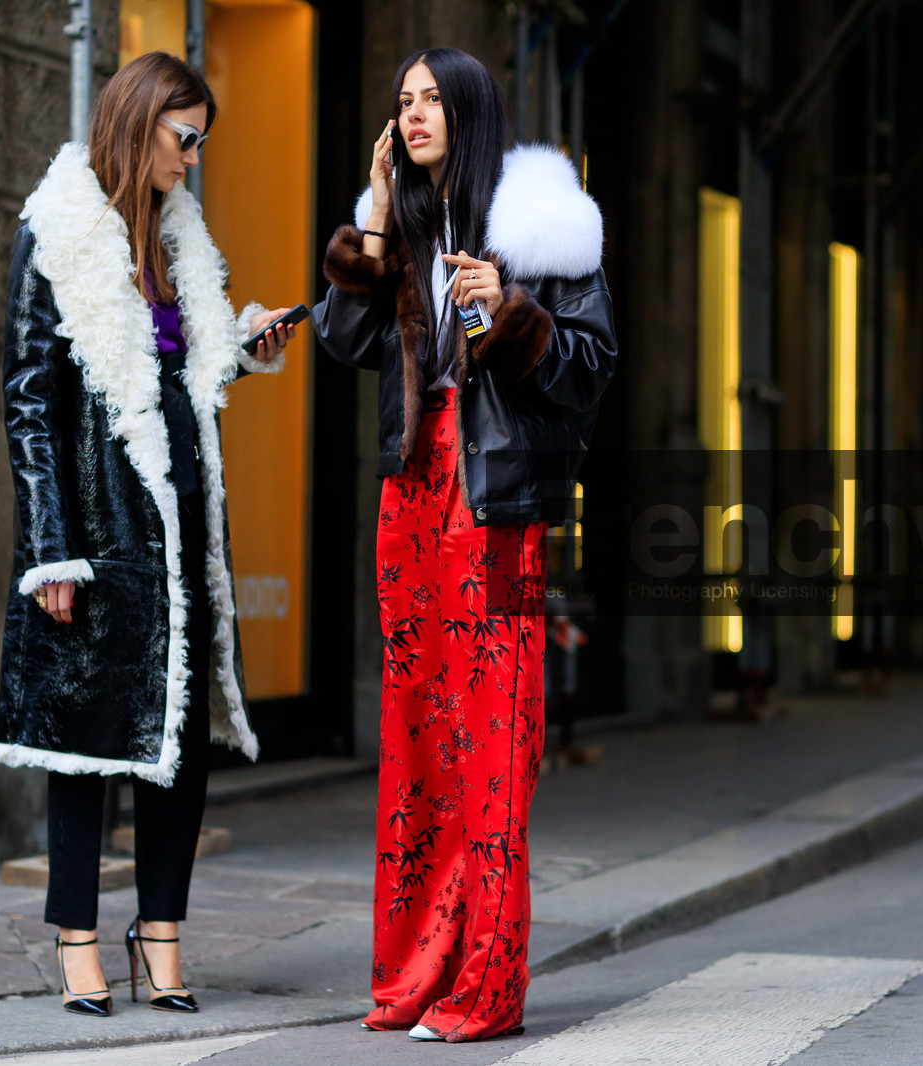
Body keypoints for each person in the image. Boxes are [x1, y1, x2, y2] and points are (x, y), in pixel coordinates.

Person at [312, 47, 617, 1042]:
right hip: (410, 503)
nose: (414, 115)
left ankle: (484, 987)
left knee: (490, 752)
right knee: (417, 752)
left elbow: (589, 369)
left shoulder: (539, 223)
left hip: (492, 512)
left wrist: (511, 313)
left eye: (433, 99)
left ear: (472, 110)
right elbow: (342, 341)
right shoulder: (401, 222)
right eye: (402, 102)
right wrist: (369, 220)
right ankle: (413, 974)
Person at [0, 50, 295, 1017]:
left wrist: (243, 350)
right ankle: (78, 934)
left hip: (178, 517)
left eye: (202, 141)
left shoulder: (181, 241)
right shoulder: (60, 232)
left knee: (179, 738)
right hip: (92, 517)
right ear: (140, 122)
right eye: (185, 138)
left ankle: (159, 929)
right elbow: (29, 400)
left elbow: (185, 378)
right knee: (88, 738)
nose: (195, 159)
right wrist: (49, 548)